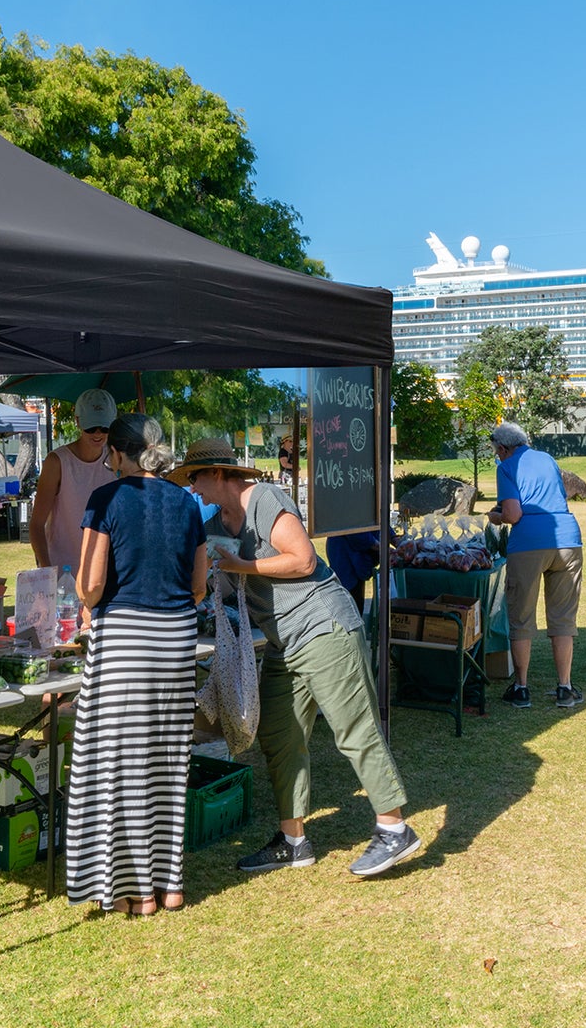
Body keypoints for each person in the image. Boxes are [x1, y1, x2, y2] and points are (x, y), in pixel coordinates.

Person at [178, 437, 421, 879]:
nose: (191, 488)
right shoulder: (218, 521)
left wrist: (240, 567)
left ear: (216, 473)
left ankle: (394, 827)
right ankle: (293, 841)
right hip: (282, 641)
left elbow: (303, 560)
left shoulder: (265, 499)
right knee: (278, 733)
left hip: (323, 628)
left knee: (354, 729)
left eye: (194, 477)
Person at [66, 414, 208, 916]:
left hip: (125, 639)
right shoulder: (187, 502)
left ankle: (135, 892)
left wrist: (83, 595)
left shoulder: (106, 499)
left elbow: (91, 586)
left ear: (120, 455)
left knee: (120, 765)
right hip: (176, 640)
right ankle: (170, 886)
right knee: (167, 761)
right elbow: (199, 585)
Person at [487, 421, 584, 709]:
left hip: (528, 542)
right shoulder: (547, 458)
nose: (497, 456)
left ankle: (521, 688)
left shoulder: (506, 466)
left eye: (497, 451)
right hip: (567, 538)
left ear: (503, 448)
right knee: (563, 617)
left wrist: (497, 517)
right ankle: (565, 688)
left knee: (521, 617)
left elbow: (514, 514)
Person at [29, 387, 118, 576]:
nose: (97, 434)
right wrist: (47, 571)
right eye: (90, 427)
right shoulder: (57, 462)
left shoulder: (117, 459)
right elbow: (36, 524)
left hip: (106, 571)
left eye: (104, 428)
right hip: (65, 573)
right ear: (78, 422)